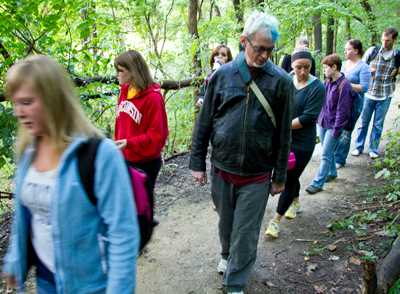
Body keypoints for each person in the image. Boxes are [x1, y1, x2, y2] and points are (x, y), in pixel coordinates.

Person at [2, 55, 139, 293]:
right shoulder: (28, 153)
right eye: (15, 103)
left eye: (26, 102)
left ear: (53, 100)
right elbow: (24, 215)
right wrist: (16, 259)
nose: (18, 112)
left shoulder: (99, 155)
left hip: (92, 286)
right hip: (47, 283)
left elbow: (122, 234)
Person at [189, 11, 293, 294]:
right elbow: (205, 121)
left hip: (257, 175)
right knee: (227, 225)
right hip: (222, 169)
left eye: (270, 50)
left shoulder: (281, 81)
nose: (265, 56)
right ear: (243, 41)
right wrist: (197, 161)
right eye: (259, 48)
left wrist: (280, 176)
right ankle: (226, 255)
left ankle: (234, 283)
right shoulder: (221, 76)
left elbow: (284, 132)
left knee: (245, 233)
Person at [265, 48, 325, 238]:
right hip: (283, 139)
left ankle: (275, 221)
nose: (303, 71)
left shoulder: (317, 87)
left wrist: (280, 127)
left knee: (288, 177)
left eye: (307, 67)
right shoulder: (286, 81)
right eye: (299, 67)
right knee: (293, 174)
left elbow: (308, 117)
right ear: (292, 65)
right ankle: (296, 201)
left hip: (302, 142)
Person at [114, 50, 168, 220]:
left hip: (146, 162)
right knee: (127, 206)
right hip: (125, 158)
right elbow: (120, 123)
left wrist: (129, 143)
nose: (117, 74)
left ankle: (144, 236)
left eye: (120, 70)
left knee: (142, 207)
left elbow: (157, 137)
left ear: (133, 71)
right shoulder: (124, 91)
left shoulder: (152, 98)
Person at [306, 54, 353, 194]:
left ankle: (317, 183)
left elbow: (343, 111)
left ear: (334, 67)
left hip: (334, 126)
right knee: (328, 151)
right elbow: (321, 101)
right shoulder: (327, 81)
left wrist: (337, 130)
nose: (325, 70)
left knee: (325, 154)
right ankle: (332, 173)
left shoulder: (345, 85)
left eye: (326, 67)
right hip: (322, 122)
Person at [351, 27, 399, 159]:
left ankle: (373, 149)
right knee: (363, 122)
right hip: (369, 93)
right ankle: (358, 147)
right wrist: (368, 71)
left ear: (394, 40)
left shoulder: (397, 54)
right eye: (383, 39)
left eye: (388, 40)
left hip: (385, 94)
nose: (384, 42)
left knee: (378, 124)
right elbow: (361, 66)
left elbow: (398, 69)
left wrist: (396, 72)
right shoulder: (372, 51)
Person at [334, 39, 371, 168]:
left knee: (346, 131)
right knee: (335, 128)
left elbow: (364, 87)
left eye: (348, 49)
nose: (345, 51)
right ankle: (332, 155)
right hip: (338, 102)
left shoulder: (363, 67)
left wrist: (346, 84)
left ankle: (340, 159)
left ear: (356, 50)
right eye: (345, 49)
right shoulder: (342, 64)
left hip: (354, 104)